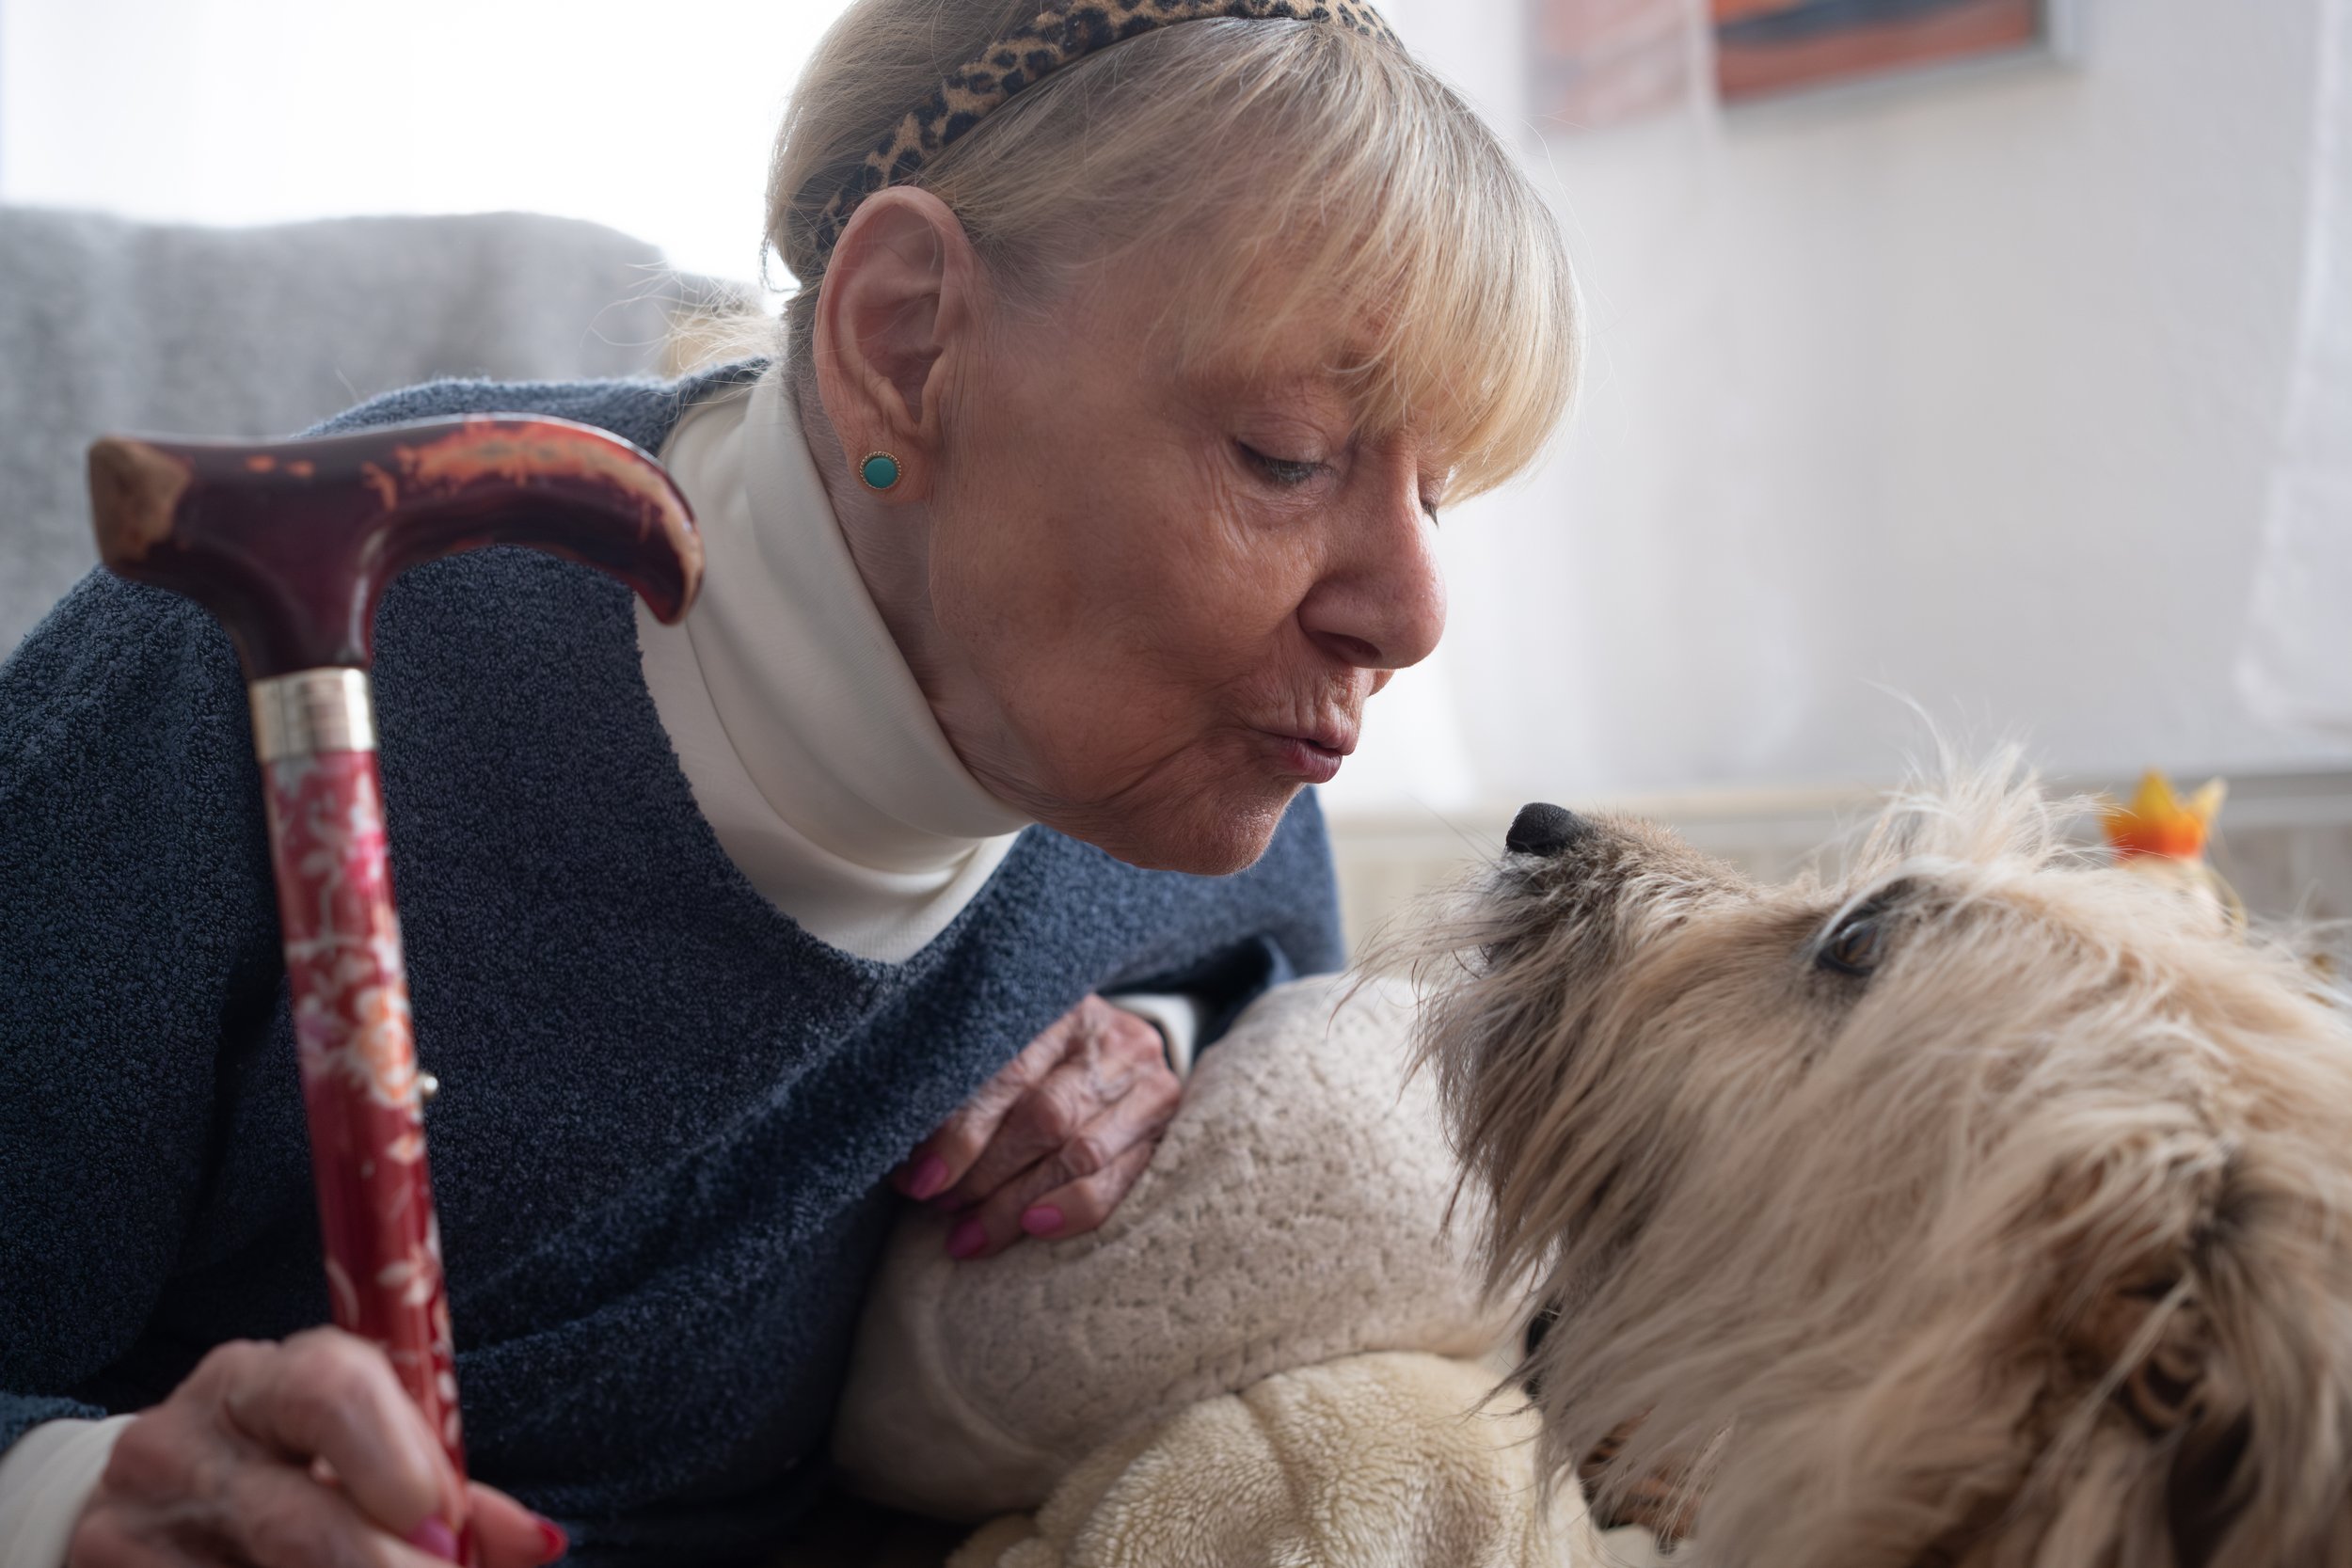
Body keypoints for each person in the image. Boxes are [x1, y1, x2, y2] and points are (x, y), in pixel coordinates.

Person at [0, 2, 1578, 1564]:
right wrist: (81, 1500)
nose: (1413, 611)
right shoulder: (315, 629)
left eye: (1437, 492)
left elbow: (1274, 971)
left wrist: (1151, 1051)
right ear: (908, 340)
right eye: (1291, 455)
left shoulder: (1194, 758)